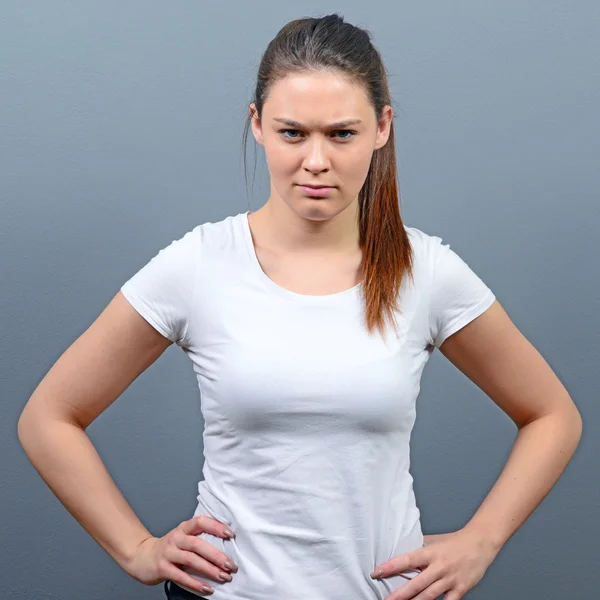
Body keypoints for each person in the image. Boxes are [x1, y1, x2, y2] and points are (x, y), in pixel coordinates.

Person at [17, 13, 582, 600]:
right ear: (258, 125)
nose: (316, 160)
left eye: (341, 134)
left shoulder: (426, 270)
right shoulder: (199, 265)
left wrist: (482, 541)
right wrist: (137, 549)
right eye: (293, 133)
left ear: (382, 128)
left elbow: (552, 415)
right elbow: (49, 418)